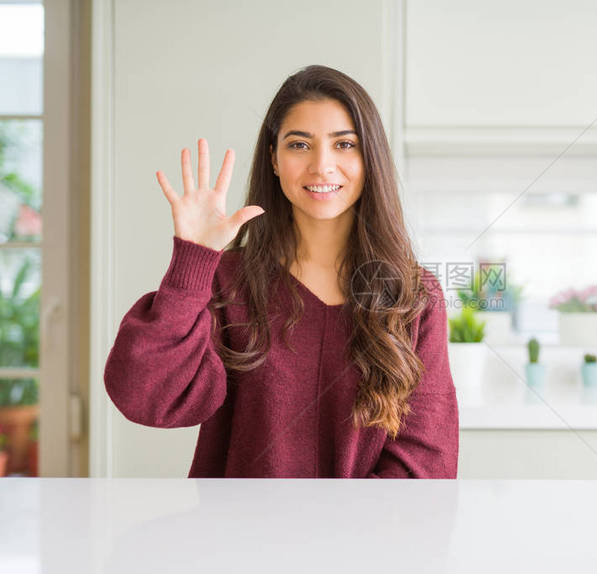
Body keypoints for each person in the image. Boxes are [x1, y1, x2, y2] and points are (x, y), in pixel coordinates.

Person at [103, 65, 458, 478]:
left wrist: (347, 538)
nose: (322, 166)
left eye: (344, 144)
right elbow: (147, 399)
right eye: (299, 145)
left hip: (364, 540)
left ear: (369, 159)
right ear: (273, 159)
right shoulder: (226, 281)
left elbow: (425, 465)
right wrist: (192, 260)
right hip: (238, 540)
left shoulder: (414, 295)